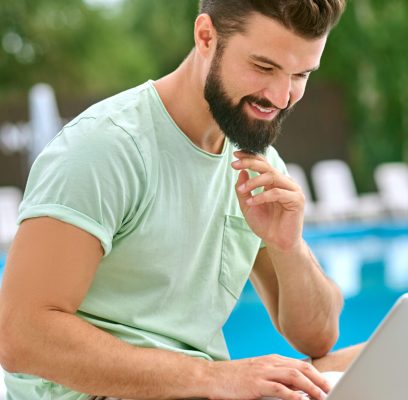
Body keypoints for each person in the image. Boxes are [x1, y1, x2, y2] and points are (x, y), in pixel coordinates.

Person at [0, 1, 362, 399]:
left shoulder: (256, 163)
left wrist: (287, 247)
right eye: (264, 67)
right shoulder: (107, 147)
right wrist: (214, 378)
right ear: (206, 36)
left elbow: (318, 338)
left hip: (193, 389)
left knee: (380, 360)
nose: (280, 96)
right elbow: (20, 335)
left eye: (300, 74)